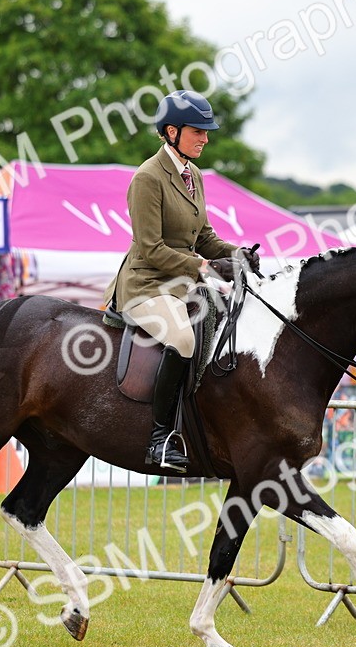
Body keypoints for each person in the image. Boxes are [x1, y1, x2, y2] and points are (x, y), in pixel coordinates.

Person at [103, 89, 260, 473]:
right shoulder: (147, 179)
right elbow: (151, 248)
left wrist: (236, 254)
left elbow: (203, 236)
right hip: (145, 283)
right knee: (183, 338)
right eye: (199, 131)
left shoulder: (195, 175)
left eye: (207, 132)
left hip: (181, 282)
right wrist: (204, 268)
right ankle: (159, 440)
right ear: (171, 131)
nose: (206, 138)